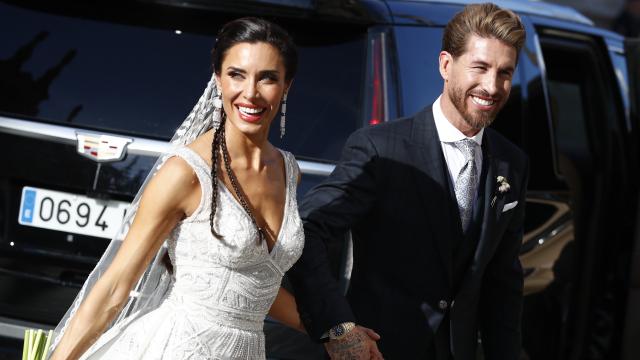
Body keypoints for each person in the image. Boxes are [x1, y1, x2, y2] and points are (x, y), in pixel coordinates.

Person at [49, 17, 307, 360]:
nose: (250, 93)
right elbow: (115, 287)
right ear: (218, 79)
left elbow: (254, 284)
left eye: (268, 78)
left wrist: (336, 328)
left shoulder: (289, 172)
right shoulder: (186, 172)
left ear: (287, 85)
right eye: (237, 75)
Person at [288, 3, 529, 359]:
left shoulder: (512, 163)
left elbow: (502, 281)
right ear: (446, 65)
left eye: (505, 73)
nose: (492, 86)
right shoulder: (381, 147)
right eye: (480, 67)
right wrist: (337, 329)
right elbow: (306, 231)